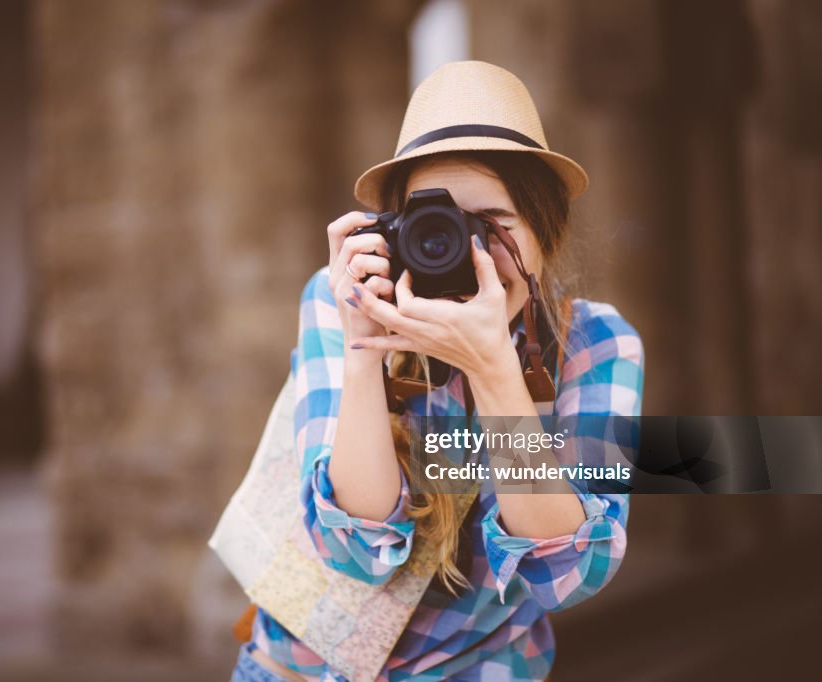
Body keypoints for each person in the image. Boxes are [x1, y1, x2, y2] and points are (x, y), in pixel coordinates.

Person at [231, 61, 644, 682]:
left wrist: (495, 371)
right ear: (391, 232)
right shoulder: (338, 299)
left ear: (544, 229)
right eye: (436, 226)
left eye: (491, 227)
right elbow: (356, 550)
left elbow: (567, 577)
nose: (463, 251)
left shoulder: (595, 343)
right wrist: (365, 347)